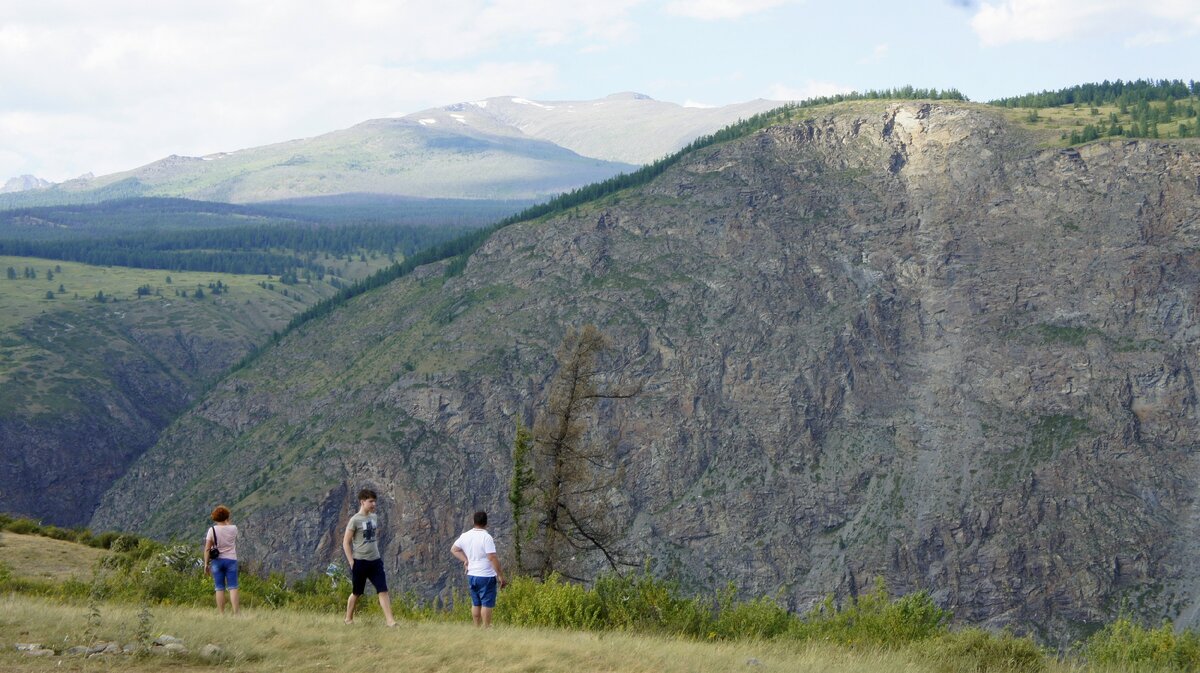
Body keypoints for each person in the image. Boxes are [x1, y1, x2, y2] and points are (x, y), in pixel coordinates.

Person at [343, 488, 397, 627]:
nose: (374, 504)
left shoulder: (374, 517)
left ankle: (390, 621)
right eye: (371, 501)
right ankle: (348, 619)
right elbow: (346, 542)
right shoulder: (354, 520)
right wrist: (351, 562)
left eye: (374, 501)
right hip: (360, 561)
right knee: (357, 592)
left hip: (375, 561)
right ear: (362, 502)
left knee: (382, 589)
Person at [451, 511, 507, 627]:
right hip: (486, 575)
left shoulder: (465, 536)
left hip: (472, 574)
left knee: (476, 603)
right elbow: (491, 557)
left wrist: (465, 560)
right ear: (486, 523)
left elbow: (454, 549)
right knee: (486, 603)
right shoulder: (486, 537)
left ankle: (476, 626)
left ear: (473, 521)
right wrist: (500, 575)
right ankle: (486, 627)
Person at [203, 505, 239, 615]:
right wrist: (227, 520)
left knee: (219, 588)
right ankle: (236, 613)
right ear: (227, 516)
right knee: (233, 587)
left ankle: (221, 613)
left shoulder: (212, 530)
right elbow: (228, 525)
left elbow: (207, 548)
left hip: (217, 561)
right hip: (231, 559)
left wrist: (206, 564)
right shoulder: (234, 528)